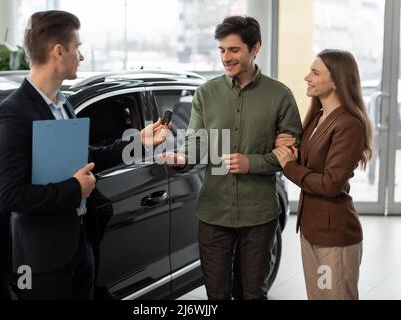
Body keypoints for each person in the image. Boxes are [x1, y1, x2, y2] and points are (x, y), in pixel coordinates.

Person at [0, 10, 168, 300]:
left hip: (79, 246)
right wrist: (75, 189)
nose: (81, 56)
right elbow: (7, 195)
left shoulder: (63, 105)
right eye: (78, 48)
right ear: (58, 51)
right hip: (41, 259)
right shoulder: (13, 112)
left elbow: (85, 156)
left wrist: (139, 142)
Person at [159, 16, 302, 300]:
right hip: (214, 212)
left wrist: (254, 163)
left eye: (234, 50)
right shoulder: (206, 93)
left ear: (255, 48)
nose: (226, 57)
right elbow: (195, 144)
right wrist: (181, 159)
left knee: (253, 293)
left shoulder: (280, 96)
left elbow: (292, 154)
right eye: (222, 50)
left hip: (259, 215)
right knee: (217, 294)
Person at [272, 49, 373, 300]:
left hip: (333, 236)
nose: (307, 77)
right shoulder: (318, 117)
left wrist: (289, 165)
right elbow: (311, 163)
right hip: (312, 229)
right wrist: (291, 150)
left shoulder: (349, 124)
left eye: (315, 73)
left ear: (337, 80)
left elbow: (330, 184)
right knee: (318, 296)